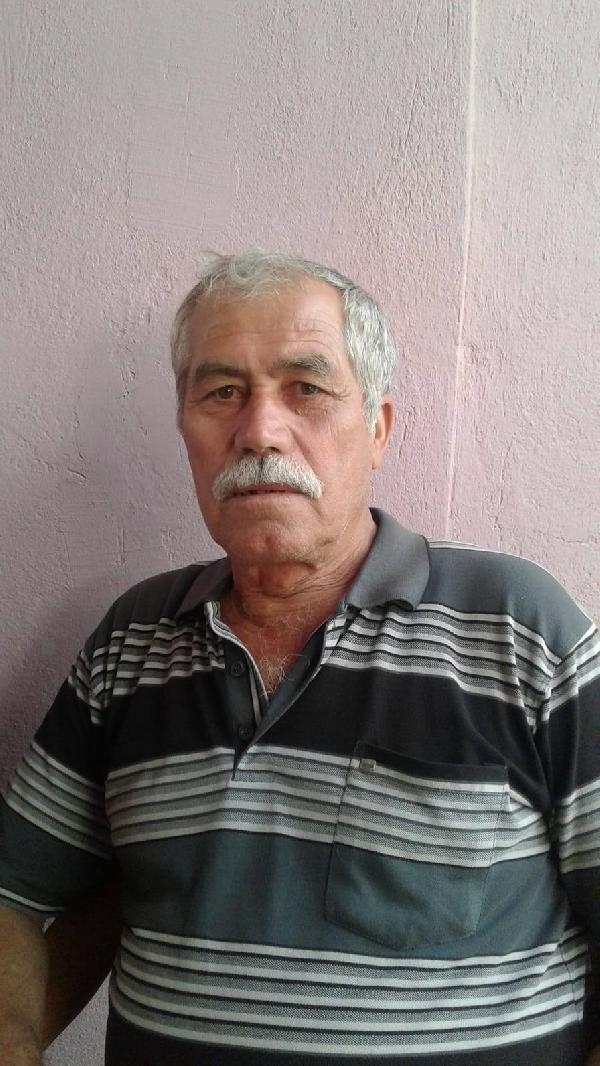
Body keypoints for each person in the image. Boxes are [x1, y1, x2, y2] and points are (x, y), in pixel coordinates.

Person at [0, 251, 599, 1066]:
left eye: (306, 388)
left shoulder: (520, 632)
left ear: (378, 427)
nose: (259, 431)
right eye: (221, 392)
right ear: (185, 429)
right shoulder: (132, 643)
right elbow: (18, 894)